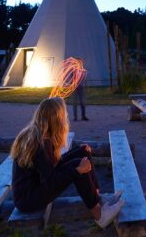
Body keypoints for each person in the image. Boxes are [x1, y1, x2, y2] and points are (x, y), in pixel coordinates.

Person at [10, 97, 123, 229]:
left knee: (82, 153)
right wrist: (78, 171)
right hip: (28, 199)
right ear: (56, 119)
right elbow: (52, 180)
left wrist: (80, 153)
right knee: (78, 165)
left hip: (37, 186)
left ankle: (99, 200)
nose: (65, 119)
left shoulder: (40, 133)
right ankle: (99, 215)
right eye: (64, 116)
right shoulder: (40, 143)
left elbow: (49, 167)